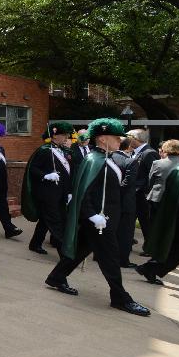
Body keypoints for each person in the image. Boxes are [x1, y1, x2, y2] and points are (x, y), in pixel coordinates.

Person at [44, 118, 150, 317]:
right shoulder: (94, 160)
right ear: (102, 139)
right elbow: (84, 193)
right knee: (110, 258)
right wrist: (92, 215)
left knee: (82, 249)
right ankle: (120, 297)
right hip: (98, 221)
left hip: (105, 219)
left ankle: (57, 277)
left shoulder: (109, 158)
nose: (120, 140)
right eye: (115, 137)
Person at [22, 122, 75, 255]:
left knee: (46, 220)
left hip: (60, 192)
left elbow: (67, 173)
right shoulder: (44, 150)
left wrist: (69, 192)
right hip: (47, 193)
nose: (66, 138)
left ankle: (35, 243)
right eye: (64, 135)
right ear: (55, 135)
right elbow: (33, 169)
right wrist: (46, 175)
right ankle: (64, 252)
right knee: (56, 221)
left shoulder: (63, 151)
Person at [136, 148, 179, 285]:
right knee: (178, 249)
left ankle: (150, 268)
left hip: (176, 218)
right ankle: (150, 268)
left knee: (176, 249)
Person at [128, 129, 160, 255]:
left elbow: (153, 175)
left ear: (137, 139)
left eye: (129, 137)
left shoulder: (148, 153)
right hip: (134, 195)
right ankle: (127, 243)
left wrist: (143, 189)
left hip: (143, 196)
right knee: (130, 220)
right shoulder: (136, 152)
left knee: (146, 222)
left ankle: (150, 249)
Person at [111, 137, 140, 268]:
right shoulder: (131, 161)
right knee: (126, 233)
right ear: (128, 147)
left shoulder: (110, 157)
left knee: (112, 229)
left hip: (111, 201)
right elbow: (129, 183)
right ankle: (123, 259)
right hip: (126, 202)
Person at [145, 139, 179, 219]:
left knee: (154, 223)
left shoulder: (157, 163)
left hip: (157, 197)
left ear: (165, 148)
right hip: (178, 199)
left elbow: (150, 181)